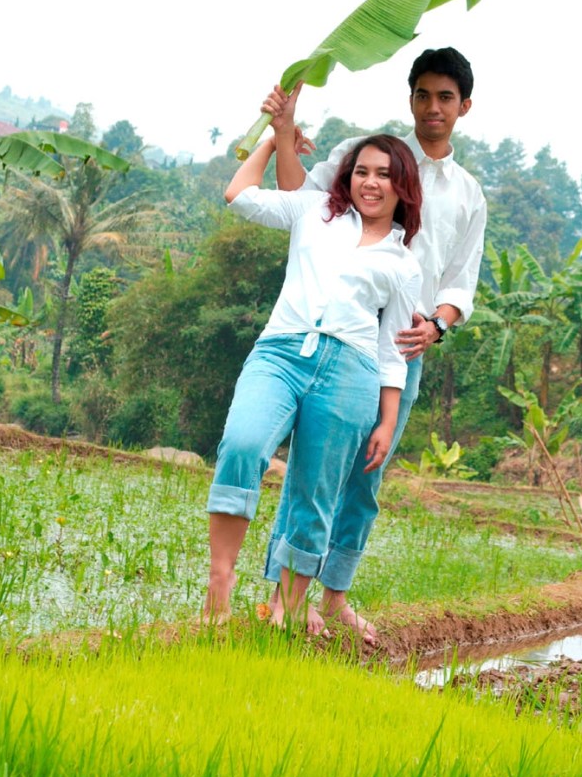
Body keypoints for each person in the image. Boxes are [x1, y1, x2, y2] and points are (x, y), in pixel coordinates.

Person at [261, 47, 486, 645]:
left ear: (465, 106)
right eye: (422, 94)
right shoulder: (369, 158)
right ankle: (287, 597)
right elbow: (301, 207)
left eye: (445, 97)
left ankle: (334, 598)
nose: (432, 107)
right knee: (317, 467)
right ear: (409, 99)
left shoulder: (468, 194)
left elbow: (462, 280)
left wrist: (436, 325)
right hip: (341, 333)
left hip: (404, 346)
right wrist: (283, 136)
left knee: (367, 472)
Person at [203, 129, 422, 633]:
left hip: (352, 371)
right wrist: (269, 138)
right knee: (242, 442)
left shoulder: (403, 263)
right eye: (362, 171)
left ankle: (288, 607)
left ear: (402, 186)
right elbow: (239, 195)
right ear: (348, 175)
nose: (370, 183)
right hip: (281, 351)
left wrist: (387, 423)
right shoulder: (314, 211)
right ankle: (221, 584)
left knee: (315, 491)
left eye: (384, 175)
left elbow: (393, 352)